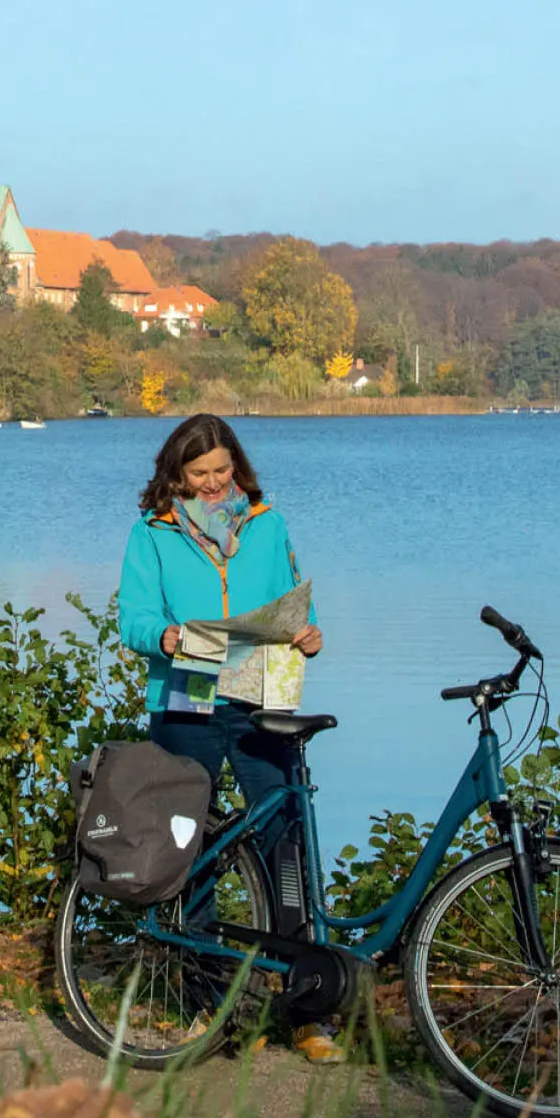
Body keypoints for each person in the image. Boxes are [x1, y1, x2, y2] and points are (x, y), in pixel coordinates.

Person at [118, 413, 343, 1065]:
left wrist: (310, 633)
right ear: (175, 476)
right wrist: (157, 635)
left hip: (258, 699)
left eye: (221, 471)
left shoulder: (266, 523)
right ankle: (207, 1007)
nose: (213, 485)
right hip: (184, 700)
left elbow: (295, 603)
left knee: (286, 844)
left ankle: (309, 1012)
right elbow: (132, 615)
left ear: (236, 467)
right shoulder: (152, 533)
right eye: (199, 475)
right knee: (192, 848)